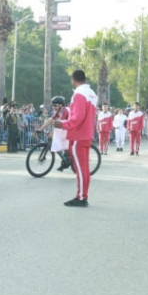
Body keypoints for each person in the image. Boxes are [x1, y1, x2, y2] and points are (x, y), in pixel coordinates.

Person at [54, 69, 98, 207]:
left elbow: (77, 116)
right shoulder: (92, 94)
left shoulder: (79, 94)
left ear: (73, 79)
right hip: (87, 134)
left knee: (80, 169)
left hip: (78, 135)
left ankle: (81, 198)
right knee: (84, 168)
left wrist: (64, 124)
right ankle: (82, 196)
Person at [37, 96, 71, 170]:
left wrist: (52, 132)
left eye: (55, 105)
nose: (53, 107)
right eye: (52, 105)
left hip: (71, 129)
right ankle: (65, 159)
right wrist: (40, 129)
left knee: (59, 141)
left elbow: (60, 125)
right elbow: (50, 120)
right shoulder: (58, 112)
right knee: (59, 142)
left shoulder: (65, 111)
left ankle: (67, 159)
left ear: (61, 105)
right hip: (65, 129)